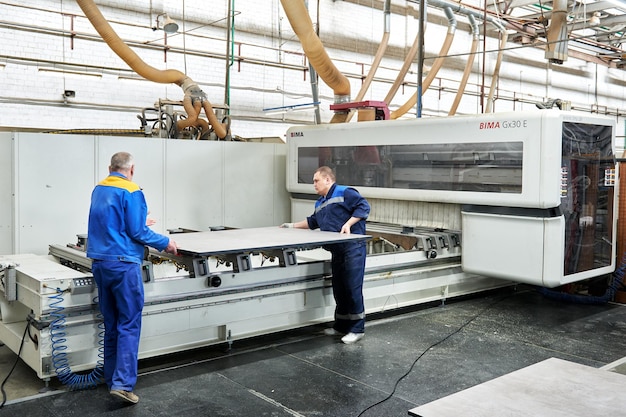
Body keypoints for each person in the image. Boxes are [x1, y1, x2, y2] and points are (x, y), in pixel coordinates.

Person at [87, 152, 178, 404]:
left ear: (110, 168)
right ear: (132, 169)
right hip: (124, 265)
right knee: (129, 323)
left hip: (101, 264)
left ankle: (110, 376)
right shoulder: (133, 190)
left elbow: (110, 223)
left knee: (112, 322)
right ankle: (123, 384)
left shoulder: (99, 188)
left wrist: (139, 221)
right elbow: (137, 232)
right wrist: (165, 242)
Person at [281, 166, 370, 344]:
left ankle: (357, 328)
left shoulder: (345, 192)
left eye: (316, 180)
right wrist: (291, 226)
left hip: (352, 247)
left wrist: (348, 224)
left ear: (328, 180)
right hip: (337, 250)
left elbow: (364, 206)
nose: (314, 184)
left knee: (352, 288)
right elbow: (313, 221)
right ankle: (341, 325)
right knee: (339, 288)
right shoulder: (320, 202)